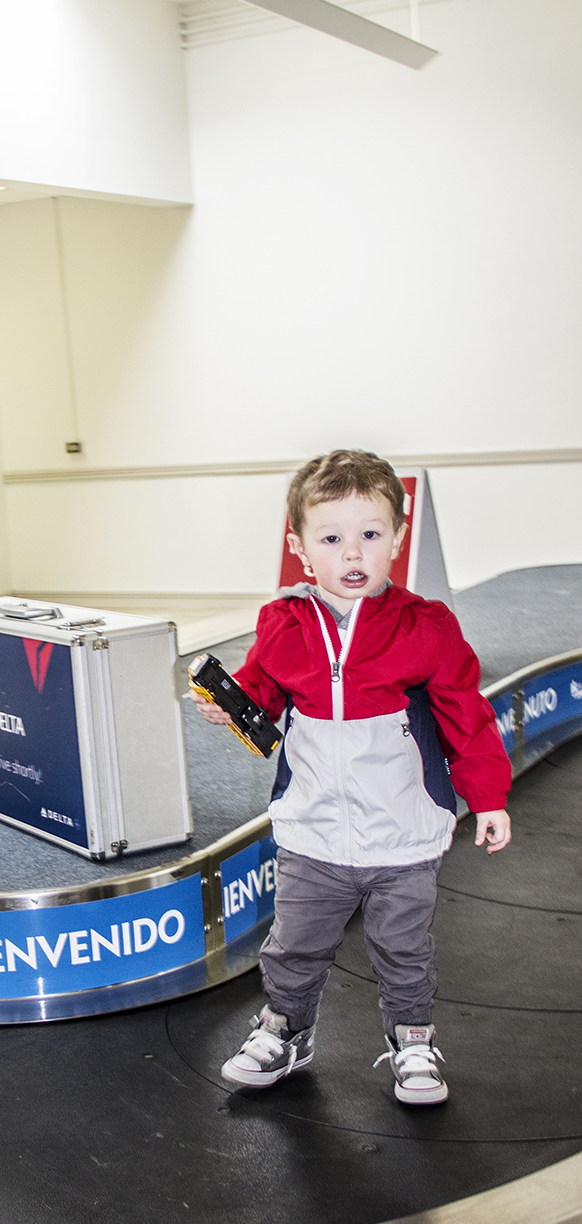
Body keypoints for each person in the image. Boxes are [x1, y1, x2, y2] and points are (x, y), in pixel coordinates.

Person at [192, 450, 511, 1105]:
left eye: (371, 533)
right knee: (294, 948)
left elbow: (467, 715)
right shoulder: (283, 622)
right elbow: (264, 694)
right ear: (300, 547)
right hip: (313, 832)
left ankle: (412, 1039)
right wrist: (231, 703)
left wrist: (488, 798)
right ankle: (286, 1030)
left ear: (398, 533)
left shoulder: (426, 627)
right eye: (332, 538)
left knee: (403, 952)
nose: (353, 553)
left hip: (403, 835)